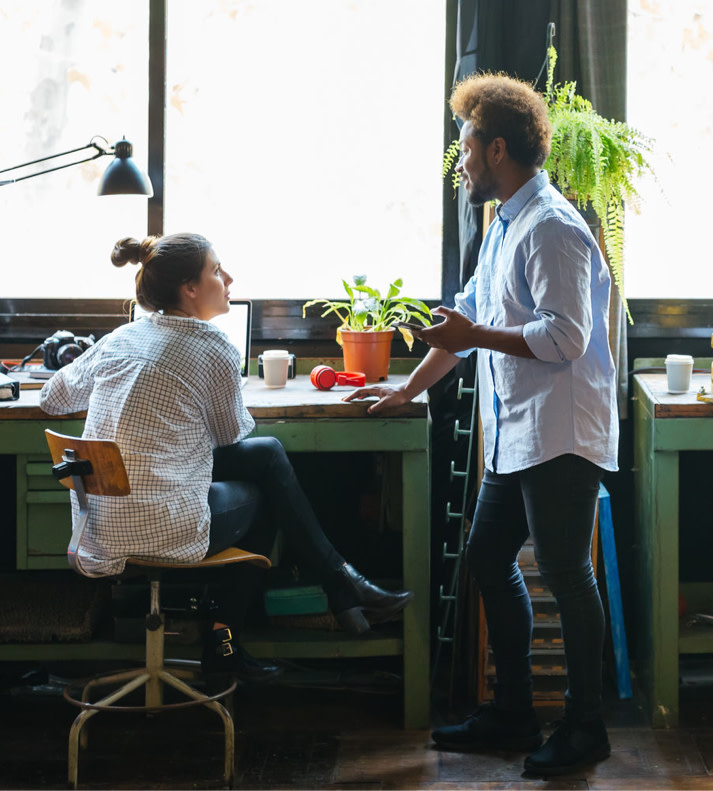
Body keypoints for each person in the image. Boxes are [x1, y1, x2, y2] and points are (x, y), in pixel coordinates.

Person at [344, 73, 618, 776]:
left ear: (496, 148)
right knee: (486, 560)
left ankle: (586, 728)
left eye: (464, 146)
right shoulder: (504, 223)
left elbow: (561, 336)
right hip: (517, 431)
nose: (459, 160)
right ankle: (513, 712)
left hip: (559, 432)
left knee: (565, 572)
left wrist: (477, 333)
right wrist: (405, 389)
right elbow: (462, 327)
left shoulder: (554, 227)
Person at [40, 232, 413, 682]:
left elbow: (51, 397)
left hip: (99, 526)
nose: (229, 277)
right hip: (163, 528)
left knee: (266, 459)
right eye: (217, 270)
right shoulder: (213, 345)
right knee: (267, 475)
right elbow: (230, 434)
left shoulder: (122, 336)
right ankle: (243, 635)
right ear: (190, 289)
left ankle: (331, 592)